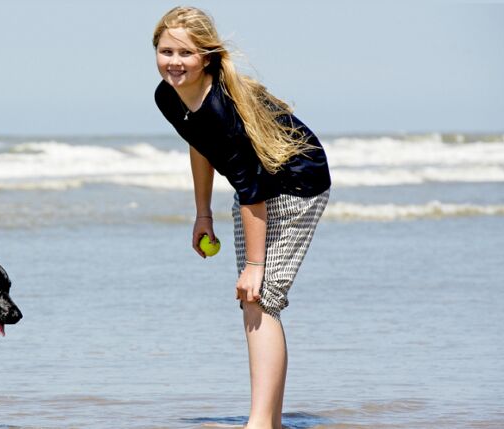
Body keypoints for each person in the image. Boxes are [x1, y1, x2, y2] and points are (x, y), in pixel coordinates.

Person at [152, 6, 331, 429]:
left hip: (296, 184)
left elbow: (253, 191)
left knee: (261, 297)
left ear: (207, 57)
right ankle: (268, 421)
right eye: (165, 51)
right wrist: (202, 214)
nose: (174, 62)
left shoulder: (221, 107)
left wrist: (255, 266)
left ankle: (262, 423)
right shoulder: (168, 96)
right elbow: (199, 145)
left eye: (185, 53)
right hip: (259, 186)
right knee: (253, 300)